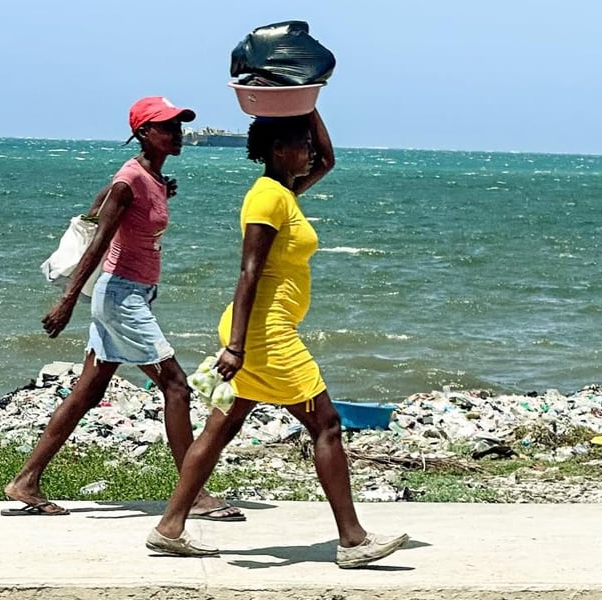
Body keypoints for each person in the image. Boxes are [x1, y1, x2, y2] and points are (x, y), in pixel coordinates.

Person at [146, 111, 408, 568]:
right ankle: (352, 540)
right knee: (326, 424)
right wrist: (237, 346)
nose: (308, 150)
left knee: (220, 427)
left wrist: (309, 101)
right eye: (300, 143)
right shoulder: (267, 198)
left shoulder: (284, 193)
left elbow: (327, 160)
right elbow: (249, 271)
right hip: (265, 335)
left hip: (258, 331)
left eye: (306, 142)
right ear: (277, 150)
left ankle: (169, 528)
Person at [2, 96, 243, 522]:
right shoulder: (129, 181)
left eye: (178, 126)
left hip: (133, 294)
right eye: (167, 127)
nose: (177, 134)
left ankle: (26, 481)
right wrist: (67, 300)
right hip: (120, 297)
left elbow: (98, 210)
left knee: (88, 392)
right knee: (176, 386)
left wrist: (157, 191)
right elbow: (98, 241)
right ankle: (193, 494)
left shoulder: (148, 178)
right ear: (144, 133)